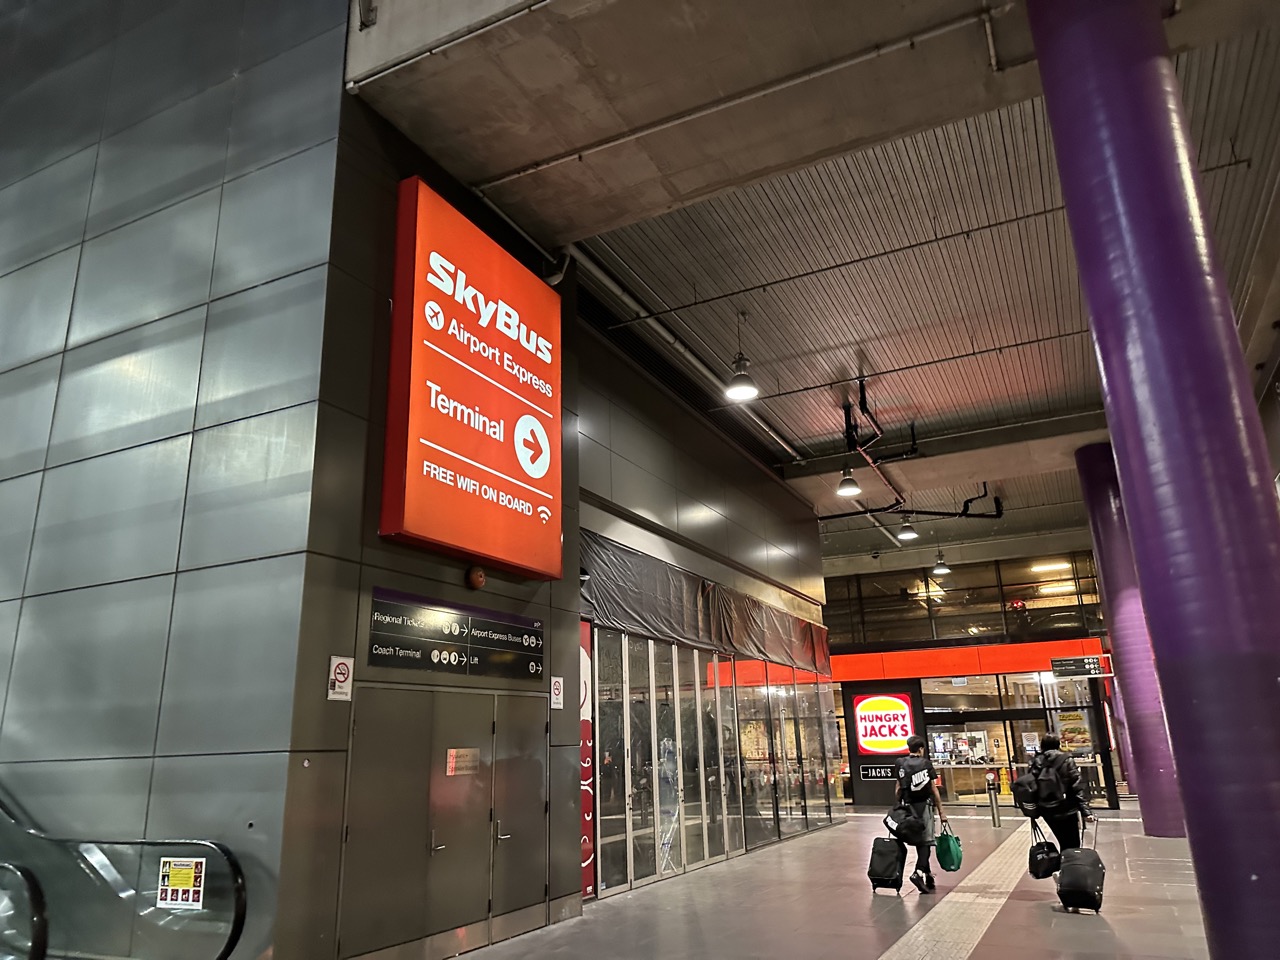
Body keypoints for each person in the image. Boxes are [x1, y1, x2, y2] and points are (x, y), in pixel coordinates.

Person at [895, 735, 948, 893]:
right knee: (926, 842)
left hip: (907, 808)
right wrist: (942, 812)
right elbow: (933, 789)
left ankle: (928, 875)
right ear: (921, 749)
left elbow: (898, 787)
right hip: (923, 807)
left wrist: (898, 807)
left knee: (920, 842)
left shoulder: (900, 763)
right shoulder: (926, 764)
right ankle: (918, 873)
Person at [1035, 733, 1094, 849]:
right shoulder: (1066, 759)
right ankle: (1070, 864)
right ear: (1058, 744)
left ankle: (1063, 862)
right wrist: (1086, 811)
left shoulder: (1036, 761)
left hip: (1046, 808)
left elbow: (1032, 784)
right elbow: (1076, 786)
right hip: (1066, 808)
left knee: (1061, 839)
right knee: (1073, 843)